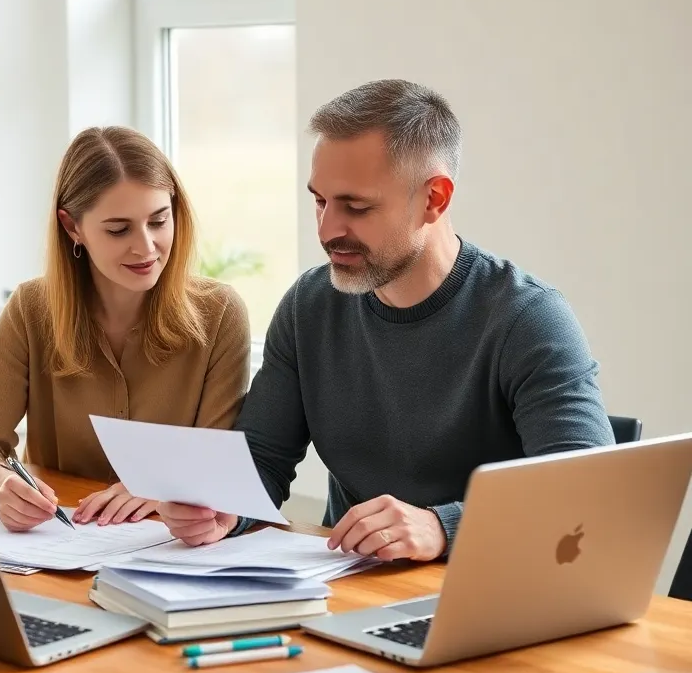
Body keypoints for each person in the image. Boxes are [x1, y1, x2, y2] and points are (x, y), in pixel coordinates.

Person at [158, 78, 613, 557]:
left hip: (490, 588)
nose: (328, 229)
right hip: (348, 584)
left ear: (435, 199)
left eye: (356, 206)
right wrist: (222, 508)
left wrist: (443, 528)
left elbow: (585, 493)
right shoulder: (308, 306)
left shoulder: (527, 319)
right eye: (320, 200)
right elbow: (264, 458)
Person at [0, 126, 249, 673]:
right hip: (44, 585)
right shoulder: (31, 310)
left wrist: (166, 487)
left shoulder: (218, 315)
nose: (145, 247)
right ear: (72, 228)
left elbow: (222, 468)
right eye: (118, 229)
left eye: (159, 220)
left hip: (155, 594)